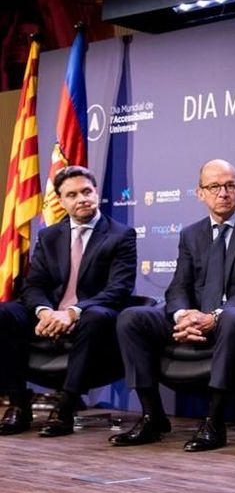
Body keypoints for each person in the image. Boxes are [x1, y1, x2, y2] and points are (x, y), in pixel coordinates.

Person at [110, 159, 235, 452]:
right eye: (214, 186)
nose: (223, 193)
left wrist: (213, 316)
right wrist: (182, 315)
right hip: (194, 316)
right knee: (131, 318)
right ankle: (152, 416)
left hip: (233, 317)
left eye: (229, 186)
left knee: (233, 318)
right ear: (200, 193)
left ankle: (214, 421)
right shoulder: (191, 234)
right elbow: (179, 285)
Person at [0, 166, 137, 436]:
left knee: (96, 315)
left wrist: (73, 312)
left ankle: (67, 403)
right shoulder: (50, 235)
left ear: (96, 193)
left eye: (87, 191)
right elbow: (35, 285)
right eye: (72, 194)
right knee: (5, 313)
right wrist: (44, 312)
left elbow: (118, 290)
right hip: (52, 314)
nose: (82, 199)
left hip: (92, 314)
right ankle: (17, 403)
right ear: (61, 201)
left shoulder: (121, 235)